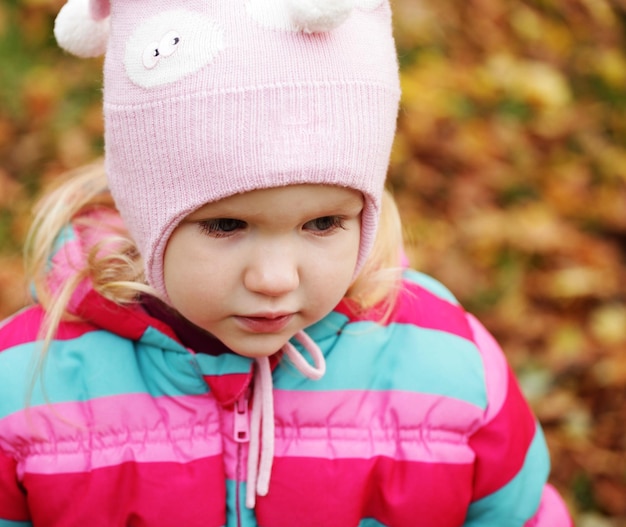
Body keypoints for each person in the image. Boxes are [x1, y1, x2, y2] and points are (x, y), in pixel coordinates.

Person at [0, 0, 572, 525]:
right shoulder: (28, 387)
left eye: (322, 224)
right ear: (146, 213)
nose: (275, 279)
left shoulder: (450, 371)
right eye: (226, 225)